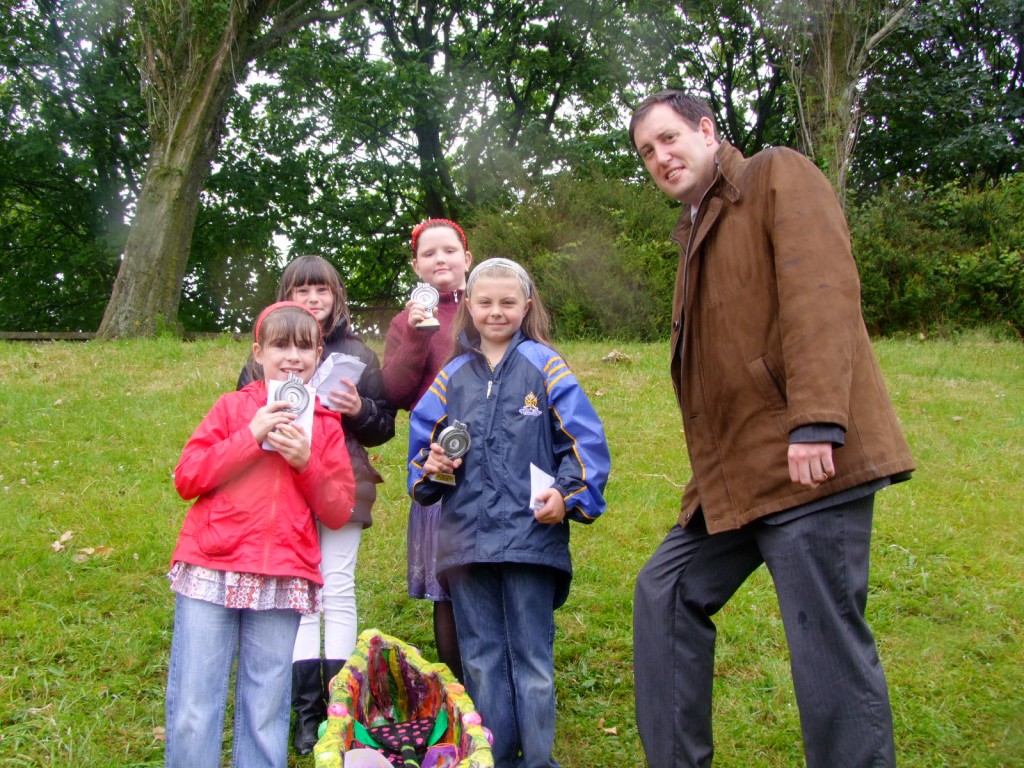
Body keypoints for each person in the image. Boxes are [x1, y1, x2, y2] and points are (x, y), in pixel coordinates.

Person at [628, 88, 916, 768]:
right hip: (742, 478)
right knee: (665, 591)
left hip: (813, 465)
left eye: (669, 139)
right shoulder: (696, 229)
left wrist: (816, 420)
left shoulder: (774, 174)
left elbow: (822, 293)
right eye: (646, 152)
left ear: (706, 129)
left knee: (826, 648)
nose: (660, 157)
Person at [407, 257, 611, 768]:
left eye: (507, 302)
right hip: (466, 544)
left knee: (533, 661)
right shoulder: (450, 377)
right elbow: (422, 459)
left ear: (526, 306)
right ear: (469, 308)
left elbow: (584, 444)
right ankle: (493, 759)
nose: (495, 311)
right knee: (479, 659)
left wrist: (567, 496)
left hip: (529, 541)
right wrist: (431, 466)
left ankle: (538, 761)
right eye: (485, 302)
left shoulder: (547, 366)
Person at [165, 301, 356, 768]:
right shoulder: (232, 408)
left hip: (283, 575)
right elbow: (187, 477)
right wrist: (249, 437)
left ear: (318, 356)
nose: (292, 356)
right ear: (259, 353)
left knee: (266, 709)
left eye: (304, 347)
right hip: (213, 566)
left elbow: (338, 510)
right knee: (195, 703)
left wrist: (304, 462)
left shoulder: (327, 425)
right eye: (280, 345)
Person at [238, 255, 396, 754]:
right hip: (283, 485)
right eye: (302, 290)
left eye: (322, 290)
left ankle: (340, 710)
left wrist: (360, 409)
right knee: (302, 594)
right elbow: (244, 415)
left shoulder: (359, 354)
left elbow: (385, 425)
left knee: (339, 587)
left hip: (346, 480)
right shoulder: (265, 352)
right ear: (286, 295)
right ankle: (306, 714)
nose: (313, 299)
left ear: (337, 296)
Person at [381, 218, 473, 682]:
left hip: (493, 459)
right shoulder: (404, 322)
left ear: (467, 259)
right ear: (417, 267)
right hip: (436, 463)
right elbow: (395, 391)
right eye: (430, 254)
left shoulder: (489, 306)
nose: (441, 260)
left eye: (450, 251)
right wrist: (416, 335)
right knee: (447, 588)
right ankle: (458, 691)